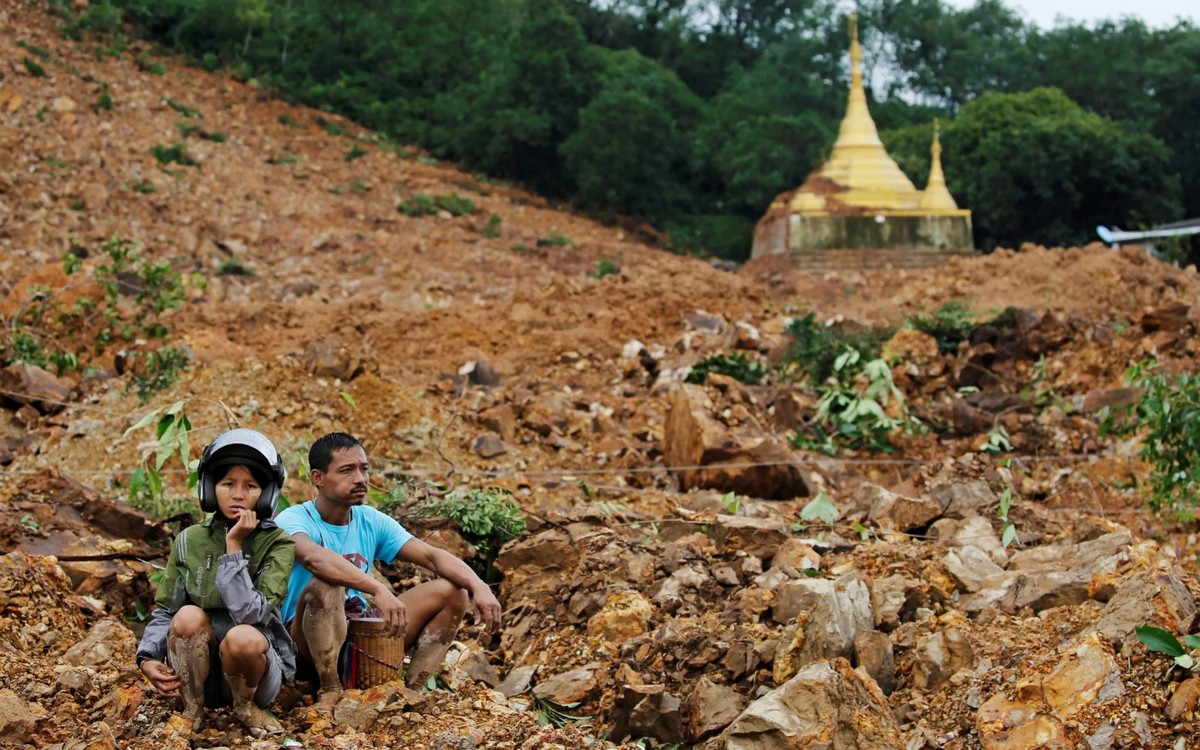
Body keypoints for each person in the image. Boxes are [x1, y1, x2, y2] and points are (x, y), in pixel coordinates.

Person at [276, 432, 502, 706]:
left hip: (357, 635)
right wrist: (376, 588)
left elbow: (431, 556)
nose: (360, 478)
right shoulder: (293, 519)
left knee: (452, 592)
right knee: (326, 585)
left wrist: (478, 585)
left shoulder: (370, 519)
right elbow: (313, 558)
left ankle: (413, 692)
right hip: (304, 644)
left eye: (364, 469)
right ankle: (329, 690)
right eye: (347, 470)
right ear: (318, 478)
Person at [135, 428, 296, 737]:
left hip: (255, 674)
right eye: (227, 484)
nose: (238, 494)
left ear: (267, 493)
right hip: (199, 675)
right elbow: (166, 612)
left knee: (243, 637)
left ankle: (245, 709)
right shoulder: (189, 540)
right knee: (187, 616)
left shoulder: (278, 543)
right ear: (210, 488)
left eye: (250, 486)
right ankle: (192, 709)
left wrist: (234, 546)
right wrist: (146, 658)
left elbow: (250, 615)